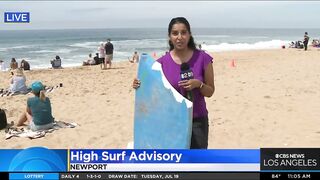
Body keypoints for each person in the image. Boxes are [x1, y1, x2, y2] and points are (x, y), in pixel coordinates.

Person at [132, 17, 215, 149]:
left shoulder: (203, 58)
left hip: (197, 121)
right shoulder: (161, 63)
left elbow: (210, 91)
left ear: (189, 34)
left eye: (183, 32)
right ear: (169, 36)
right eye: (175, 33)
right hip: (171, 122)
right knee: (177, 165)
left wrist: (198, 84)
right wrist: (139, 85)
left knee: (197, 165)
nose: (179, 37)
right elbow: (152, 93)